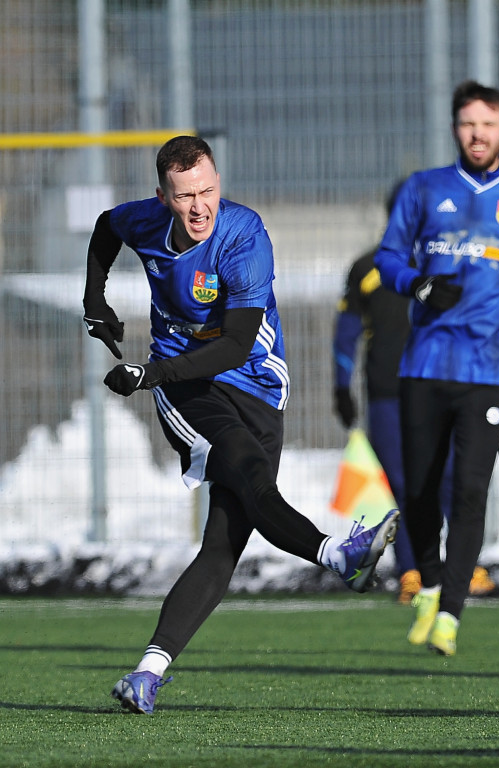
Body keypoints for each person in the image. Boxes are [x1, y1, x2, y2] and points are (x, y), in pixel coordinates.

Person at [84, 135, 400, 715]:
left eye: (207, 191)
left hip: (256, 384)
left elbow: (234, 345)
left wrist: (147, 373)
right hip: (187, 388)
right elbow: (107, 228)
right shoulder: (145, 222)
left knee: (225, 544)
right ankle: (338, 555)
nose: (199, 206)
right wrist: (95, 303)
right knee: (248, 469)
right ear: (163, 197)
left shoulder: (243, 235)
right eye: (185, 196)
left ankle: (146, 674)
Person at [374, 80, 499, 656]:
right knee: (419, 488)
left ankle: (450, 614)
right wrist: (418, 284)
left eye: (487, 124)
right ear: (455, 129)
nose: (477, 134)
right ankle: (431, 584)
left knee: (469, 489)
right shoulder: (423, 189)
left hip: (491, 364)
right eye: (467, 124)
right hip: (425, 362)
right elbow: (389, 256)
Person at [332, 186, 496, 603]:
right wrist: (341, 384)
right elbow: (347, 331)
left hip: (444, 388)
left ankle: (463, 569)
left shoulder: (454, 263)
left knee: (453, 477)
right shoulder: (368, 268)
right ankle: (412, 573)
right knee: (404, 484)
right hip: (388, 394)